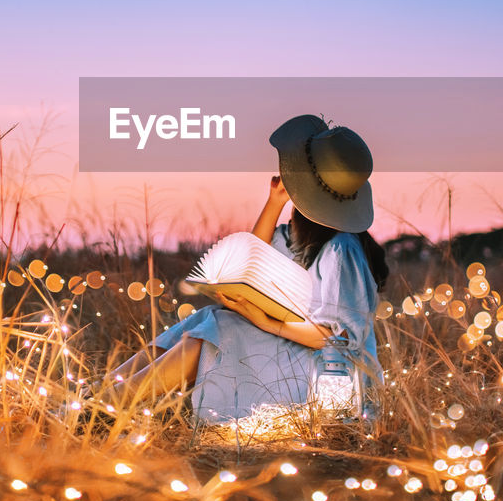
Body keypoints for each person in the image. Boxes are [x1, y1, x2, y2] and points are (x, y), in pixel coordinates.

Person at [99, 114, 388, 423]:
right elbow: (255, 260)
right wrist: (274, 203)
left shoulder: (341, 249)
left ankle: (105, 407)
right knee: (210, 318)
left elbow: (335, 340)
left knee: (219, 329)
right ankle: (97, 396)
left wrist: (263, 322)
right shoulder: (304, 236)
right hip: (299, 352)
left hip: (331, 377)